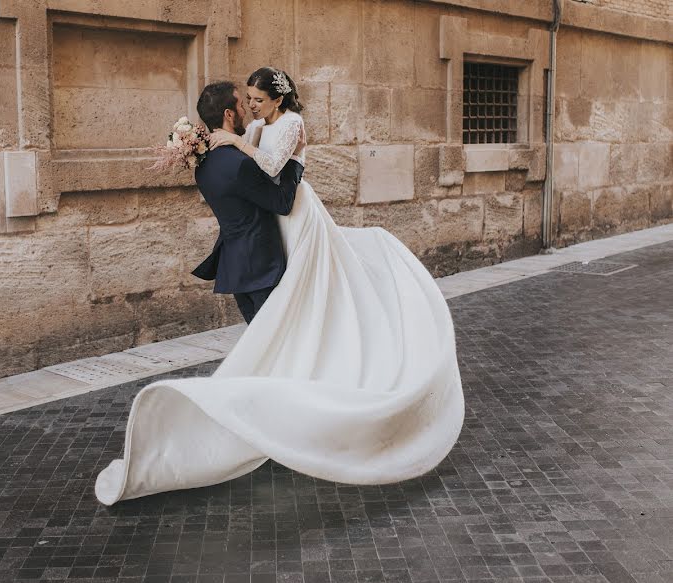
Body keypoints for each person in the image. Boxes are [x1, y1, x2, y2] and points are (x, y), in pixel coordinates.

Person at [94, 68, 465, 506]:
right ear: (231, 113)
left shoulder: (208, 163)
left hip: (241, 266)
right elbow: (282, 197)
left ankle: (277, 419)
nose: (251, 104)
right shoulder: (235, 156)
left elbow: (258, 166)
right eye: (244, 99)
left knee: (276, 347)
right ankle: (285, 425)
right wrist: (296, 166)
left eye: (257, 97)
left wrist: (265, 147)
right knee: (289, 345)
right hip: (265, 262)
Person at [189, 80, 305, 324]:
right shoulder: (240, 163)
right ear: (229, 114)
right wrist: (295, 158)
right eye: (242, 104)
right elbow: (283, 203)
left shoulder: (202, 165)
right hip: (261, 266)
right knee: (277, 340)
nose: (247, 110)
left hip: (235, 267)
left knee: (260, 342)